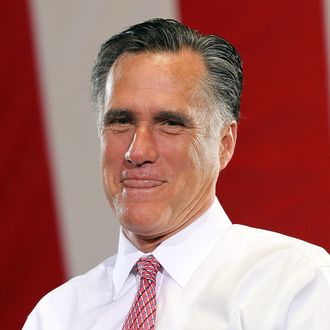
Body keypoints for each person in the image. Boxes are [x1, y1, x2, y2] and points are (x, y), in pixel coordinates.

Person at [23, 18, 330, 330]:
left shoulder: (296, 286)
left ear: (224, 145)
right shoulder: (56, 316)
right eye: (121, 121)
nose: (137, 152)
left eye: (170, 123)